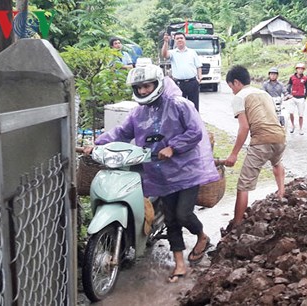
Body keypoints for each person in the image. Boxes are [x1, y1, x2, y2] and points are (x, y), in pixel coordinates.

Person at [83, 64, 219, 283]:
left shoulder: (180, 104)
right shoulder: (138, 113)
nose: (144, 91)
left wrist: (173, 147)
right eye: (139, 87)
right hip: (159, 173)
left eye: (147, 86)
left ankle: (201, 236)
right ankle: (180, 264)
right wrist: (98, 143)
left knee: (183, 214)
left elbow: (195, 132)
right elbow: (122, 132)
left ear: (158, 84)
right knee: (172, 219)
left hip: (186, 170)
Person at [224, 65, 286, 230]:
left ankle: (237, 225)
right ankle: (281, 193)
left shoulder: (239, 97)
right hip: (280, 137)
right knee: (277, 162)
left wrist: (234, 154)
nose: (232, 91)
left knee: (243, 185)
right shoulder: (264, 93)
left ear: (236, 82)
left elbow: (244, 127)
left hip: (261, 141)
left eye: (231, 87)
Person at [161, 32, 202, 111]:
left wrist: (200, 77)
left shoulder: (192, 52)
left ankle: (194, 123)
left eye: (181, 38)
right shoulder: (173, 53)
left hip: (192, 83)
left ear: (185, 40)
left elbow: (198, 66)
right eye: (177, 38)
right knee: (179, 107)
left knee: (194, 107)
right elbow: (164, 55)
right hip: (178, 84)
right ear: (175, 41)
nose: (179, 40)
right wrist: (166, 42)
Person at [286, 63, 307, 135]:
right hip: (293, 97)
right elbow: (289, 86)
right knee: (291, 112)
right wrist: (289, 94)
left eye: (302, 69)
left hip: (301, 98)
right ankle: (292, 125)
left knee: (301, 115)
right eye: (299, 69)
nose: (300, 70)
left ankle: (300, 128)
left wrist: (305, 97)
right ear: (296, 69)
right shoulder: (292, 77)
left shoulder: (305, 79)